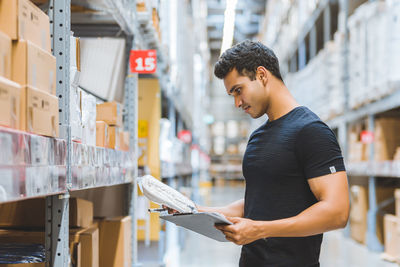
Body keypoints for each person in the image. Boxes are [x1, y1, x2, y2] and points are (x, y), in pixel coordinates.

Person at [167, 40, 349, 266]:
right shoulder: (258, 137)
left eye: (238, 90)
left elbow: (337, 212)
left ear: (261, 75)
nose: (236, 103)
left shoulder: (310, 131)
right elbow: (257, 201)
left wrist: (260, 229)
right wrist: (194, 211)